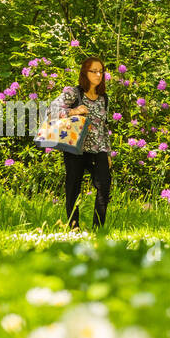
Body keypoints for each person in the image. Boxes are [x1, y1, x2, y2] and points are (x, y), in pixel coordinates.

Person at [49, 56, 113, 231]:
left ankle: (98, 228)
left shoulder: (103, 98)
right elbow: (52, 110)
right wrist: (73, 111)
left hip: (98, 149)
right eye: (94, 71)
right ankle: (74, 227)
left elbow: (104, 127)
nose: (98, 74)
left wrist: (107, 153)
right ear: (85, 73)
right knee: (73, 187)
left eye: (101, 71)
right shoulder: (74, 93)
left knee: (104, 184)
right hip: (75, 147)